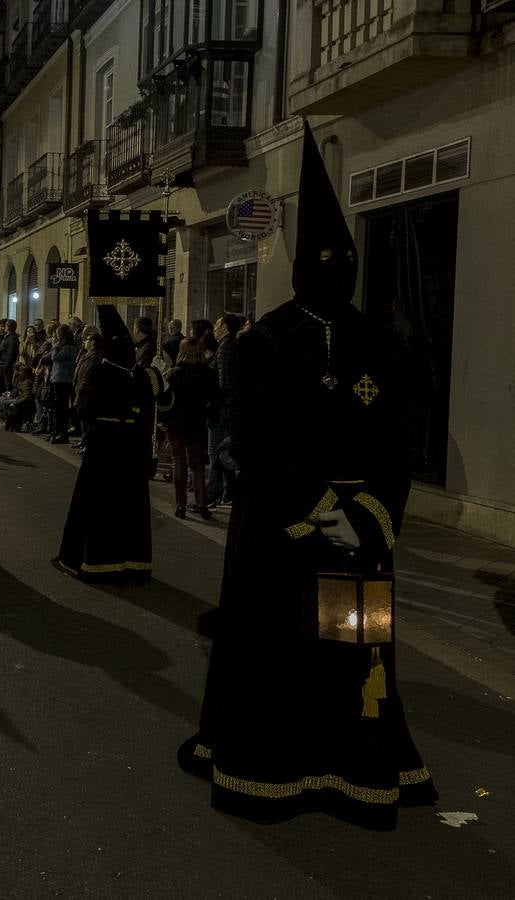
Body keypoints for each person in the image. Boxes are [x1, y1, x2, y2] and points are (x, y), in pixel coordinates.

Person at [177, 121, 436, 829]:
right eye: (320, 259)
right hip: (279, 533)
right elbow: (249, 440)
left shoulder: (376, 345)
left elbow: (396, 439)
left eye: (340, 258)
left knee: (355, 655)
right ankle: (273, 765)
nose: (332, 269)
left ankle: (352, 768)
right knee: (274, 650)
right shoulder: (262, 344)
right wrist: (315, 505)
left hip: (357, 542)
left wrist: (366, 516)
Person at [55, 304, 167, 584]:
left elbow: (84, 409)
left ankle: (96, 559)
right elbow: (165, 402)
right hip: (131, 447)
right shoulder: (145, 375)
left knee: (98, 503)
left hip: (104, 445)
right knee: (129, 504)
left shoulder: (101, 372)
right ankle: (132, 562)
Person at [163, 338, 219, 519]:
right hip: (197, 422)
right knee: (198, 465)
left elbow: (163, 399)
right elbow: (216, 399)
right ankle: (202, 503)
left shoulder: (174, 374)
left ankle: (181, 505)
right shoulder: (208, 374)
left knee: (178, 461)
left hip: (177, 422)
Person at [208, 313, 244, 507]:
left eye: (218, 324)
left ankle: (218, 491)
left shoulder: (224, 349)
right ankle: (224, 491)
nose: (214, 328)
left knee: (216, 450)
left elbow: (223, 383)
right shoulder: (230, 346)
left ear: (225, 328)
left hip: (222, 409)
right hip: (228, 408)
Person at [46, 324, 77, 444]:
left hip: (63, 380)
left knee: (61, 408)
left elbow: (55, 357)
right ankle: (56, 431)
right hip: (58, 379)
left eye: (58, 333)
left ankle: (61, 433)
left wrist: (55, 346)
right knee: (57, 408)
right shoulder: (64, 346)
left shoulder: (68, 348)